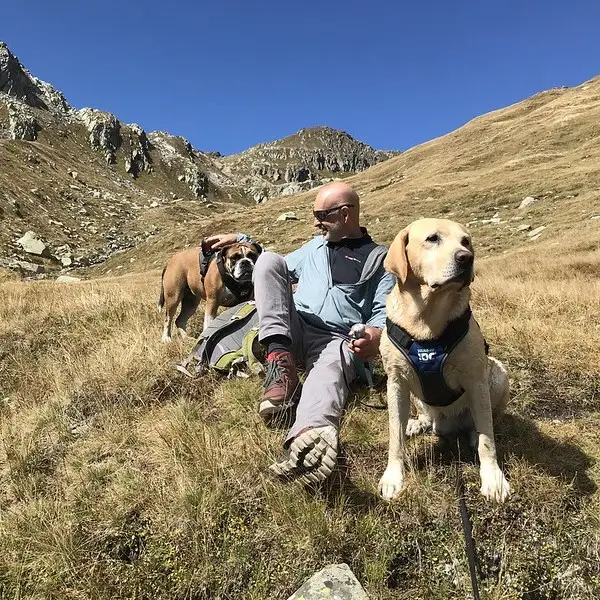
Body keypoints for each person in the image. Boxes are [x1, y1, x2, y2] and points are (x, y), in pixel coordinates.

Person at [204, 181, 395, 484]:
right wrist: (242, 239)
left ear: (345, 214)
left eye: (321, 215)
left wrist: (376, 335)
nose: (315, 222)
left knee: (328, 373)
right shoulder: (313, 248)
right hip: (293, 329)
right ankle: (281, 366)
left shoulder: (380, 259)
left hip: (336, 340)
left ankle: (310, 437)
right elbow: (272, 270)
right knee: (268, 260)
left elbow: (383, 312)